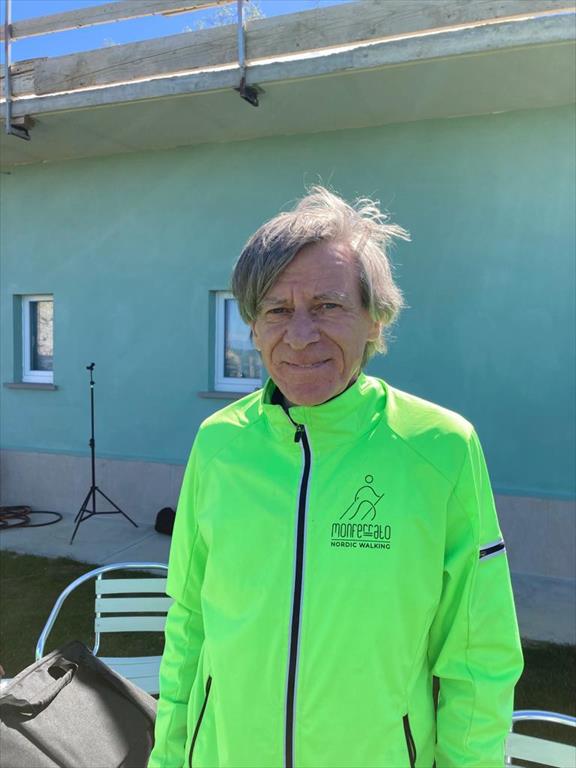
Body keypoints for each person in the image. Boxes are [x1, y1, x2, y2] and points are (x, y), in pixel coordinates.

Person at [148, 187, 523, 768]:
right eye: (277, 310)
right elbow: (189, 625)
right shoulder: (218, 443)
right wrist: (168, 759)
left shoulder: (441, 448)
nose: (300, 336)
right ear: (253, 327)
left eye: (327, 306)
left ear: (375, 320)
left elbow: (478, 658)